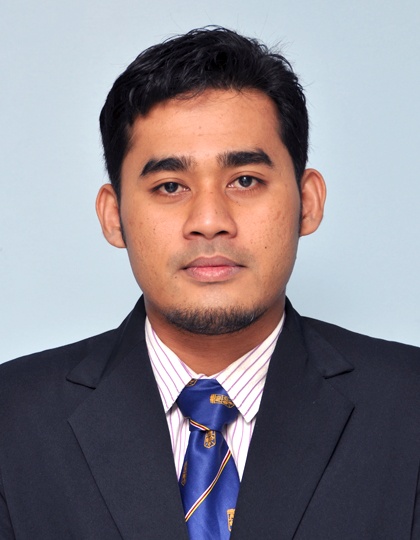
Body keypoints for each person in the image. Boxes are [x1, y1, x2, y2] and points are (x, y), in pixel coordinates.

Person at [1, 26, 420, 540]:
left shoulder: (409, 405)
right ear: (113, 216)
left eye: (245, 180)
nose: (209, 221)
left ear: (307, 202)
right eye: (169, 186)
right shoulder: (11, 418)